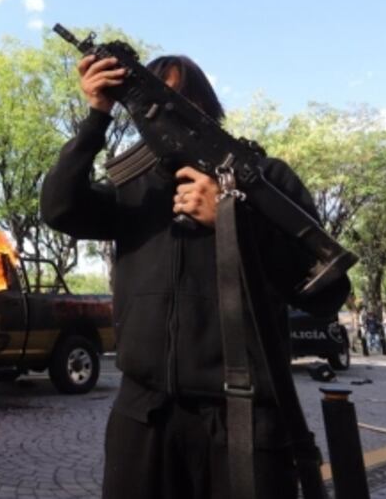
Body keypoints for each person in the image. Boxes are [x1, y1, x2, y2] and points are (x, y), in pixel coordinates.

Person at [40, 53, 350, 499]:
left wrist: (232, 217)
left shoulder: (267, 179)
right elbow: (59, 207)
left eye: (177, 99)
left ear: (207, 107)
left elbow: (328, 293)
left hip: (244, 418)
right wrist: (97, 115)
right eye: (149, 102)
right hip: (142, 416)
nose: (165, 112)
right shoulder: (136, 187)